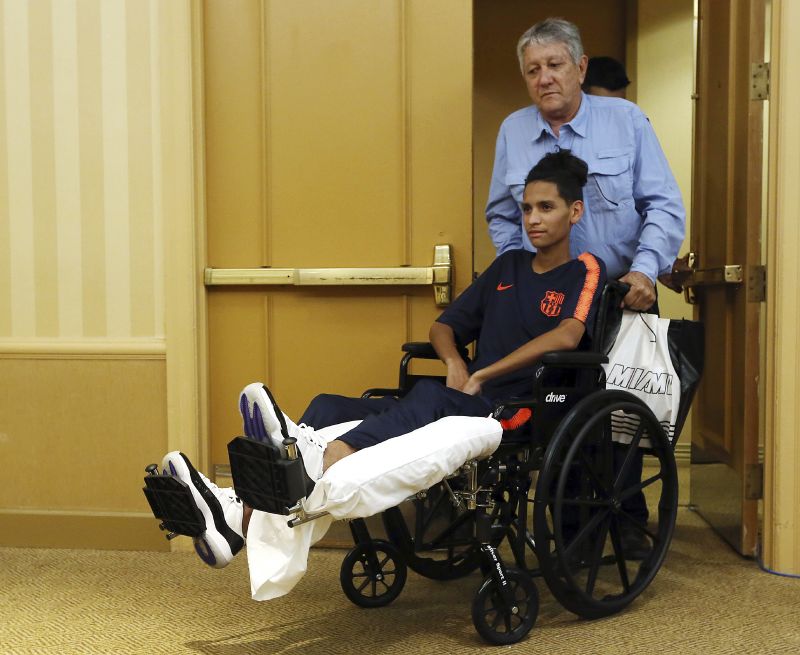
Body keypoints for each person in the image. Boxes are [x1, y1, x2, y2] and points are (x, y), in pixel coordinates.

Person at [152, 150, 607, 569]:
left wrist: (484, 372)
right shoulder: (507, 267)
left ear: (575, 211)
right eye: (526, 209)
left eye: (546, 208)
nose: (533, 219)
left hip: (516, 408)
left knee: (427, 396)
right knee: (330, 405)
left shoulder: (584, 269)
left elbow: (568, 334)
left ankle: (317, 460)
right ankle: (240, 514)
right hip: (464, 394)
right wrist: (455, 362)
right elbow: (443, 328)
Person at [486, 17, 685, 313]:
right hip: (543, 300)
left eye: (555, 65)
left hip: (621, 295)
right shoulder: (512, 131)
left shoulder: (626, 119)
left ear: (580, 69)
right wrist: (521, 273)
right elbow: (502, 216)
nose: (544, 79)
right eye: (533, 70)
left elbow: (663, 205)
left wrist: (644, 270)